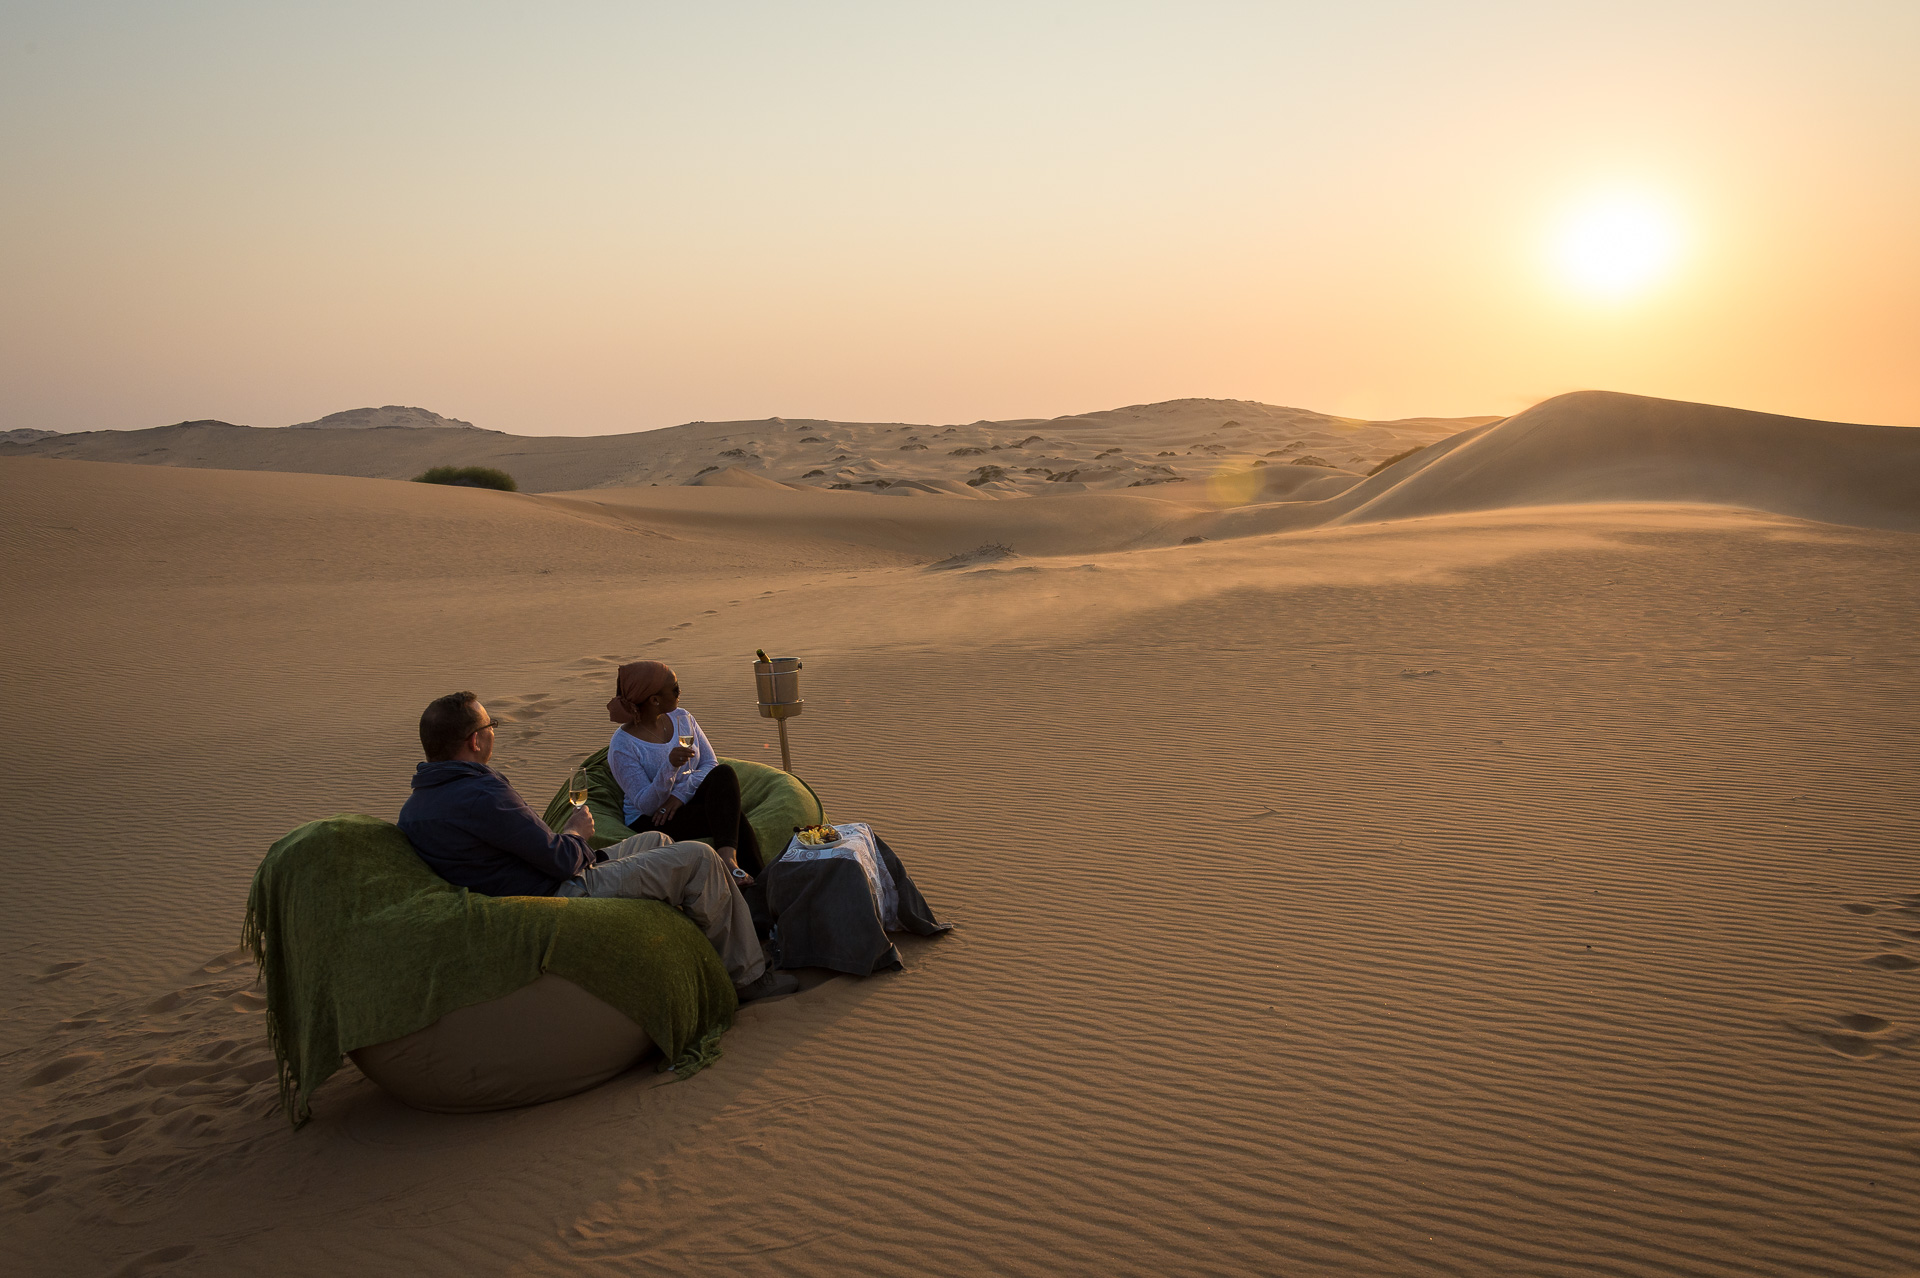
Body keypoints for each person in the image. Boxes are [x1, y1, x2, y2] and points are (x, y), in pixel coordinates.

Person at [396, 690, 796, 1002]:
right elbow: (558, 859)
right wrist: (575, 833)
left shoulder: (416, 806)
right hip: (556, 892)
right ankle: (748, 976)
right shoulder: (480, 792)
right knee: (699, 857)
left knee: (658, 840)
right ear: (476, 740)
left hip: (530, 883)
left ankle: (707, 947)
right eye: (492, 724)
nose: (494, 732)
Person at [605, 662, 762, 880]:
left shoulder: (683, 718)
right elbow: (646, 804)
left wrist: (680, 795)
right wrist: (669, 767)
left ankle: (730, 863)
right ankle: (755, 881)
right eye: (675, 689)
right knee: (732, 819)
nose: (681, 693)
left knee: (724, 774)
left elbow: (710, 764)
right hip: (652, 818)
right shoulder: (623, 746)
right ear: (654, 700)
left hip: (683, 801)